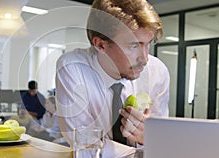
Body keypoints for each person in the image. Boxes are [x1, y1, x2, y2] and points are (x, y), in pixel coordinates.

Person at [55, 0, 170, 157]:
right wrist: (150, 141)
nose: (144, 58)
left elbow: (163, 142)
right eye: (134, 46)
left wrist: (148, 138)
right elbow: (85, 145)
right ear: (101, 45)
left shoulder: (157, 71)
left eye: (148, 44)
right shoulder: (73, 68)